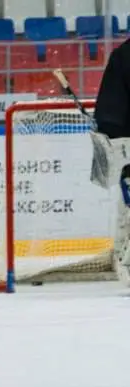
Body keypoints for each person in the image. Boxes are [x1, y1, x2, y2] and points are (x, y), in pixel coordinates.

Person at [92, 40, 130, 283]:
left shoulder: (122, 55)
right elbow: (110, 110)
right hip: (127, 142)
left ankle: (123, 257)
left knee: (127, 208)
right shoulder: (124, 56)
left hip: (123, 141)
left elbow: (107, 111)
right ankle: (126, 261)